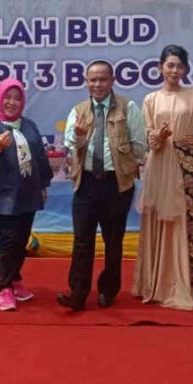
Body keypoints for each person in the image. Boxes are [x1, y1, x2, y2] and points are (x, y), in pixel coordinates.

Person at [132, 45, 193, 311]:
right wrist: (159, 136)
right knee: (159, 217)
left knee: (191, 220)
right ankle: (157, 282)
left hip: (188, 164)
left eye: (180, 66)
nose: (174, 70)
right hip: (159, 163)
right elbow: (148, 135)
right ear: (160, 67)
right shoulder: (150, 99)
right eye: (170, 65)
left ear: (186, 69)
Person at [56, 60, 146, 311]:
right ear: (86, 82)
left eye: (102, 79)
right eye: (93, 80)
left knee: (113, 241)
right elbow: (71, 145)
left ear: (112, 81)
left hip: (116, 185)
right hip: (85, 184)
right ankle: (77, 293)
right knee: (81, 241)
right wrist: (80, 137)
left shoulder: (129, 108)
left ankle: (108, 290)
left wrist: (123, 161)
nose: (97, 84)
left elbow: (140, 146)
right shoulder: (78, 110)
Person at [0, 77, 53, 311]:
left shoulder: (29, 126)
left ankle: (16, 278)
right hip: (2, 195)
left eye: (17, 98)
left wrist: (43, 185)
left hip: (28, 193)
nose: (12, 102)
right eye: (7, 97)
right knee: (8, 240)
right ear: (0, 99)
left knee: (21, 240)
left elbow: (40, 157)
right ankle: (5, 288)